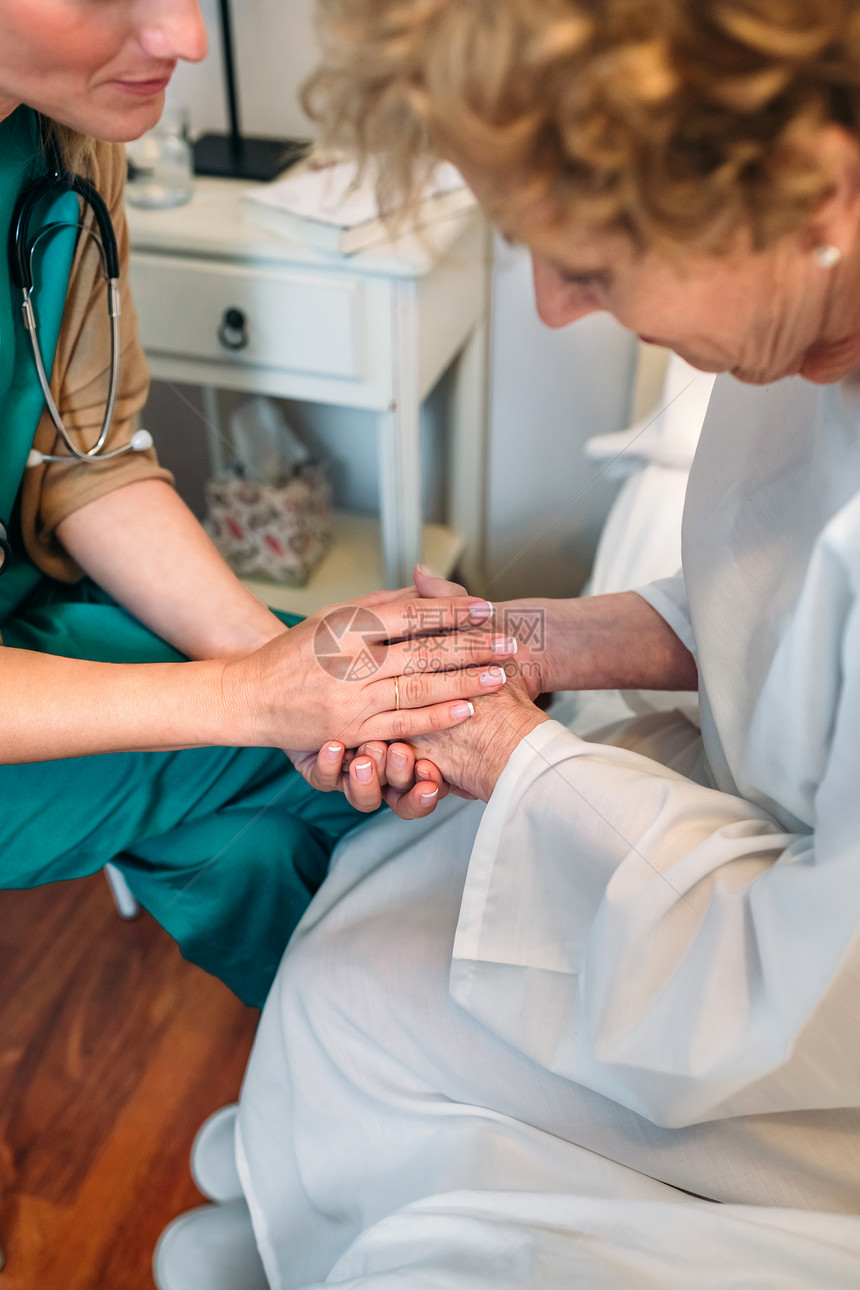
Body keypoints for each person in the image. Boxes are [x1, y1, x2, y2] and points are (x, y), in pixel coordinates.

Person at [225, 0, 860, 1284]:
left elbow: (803, 994)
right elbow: (777, 612)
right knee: (359, 940)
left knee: (370, 1016)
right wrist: (511, 643)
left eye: (594, 262)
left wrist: (503, 752)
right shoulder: (797, 343)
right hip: (767, 884)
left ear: (816, 197)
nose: (556, 307)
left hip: (802, 1032)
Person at [0, 0, 513, 1009]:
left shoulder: (62, 139)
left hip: (30, 621)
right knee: (400, 774)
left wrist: (279, 671)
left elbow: (86, 462)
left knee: (251, 843)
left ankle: (311, 1122)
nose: (185, 39)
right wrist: (254, 700)